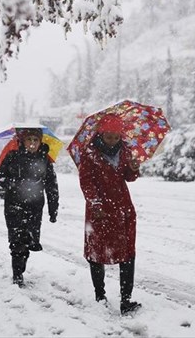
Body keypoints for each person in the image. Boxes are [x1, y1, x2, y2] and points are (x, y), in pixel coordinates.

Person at [79, 114, 142, 314]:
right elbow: (86, 182)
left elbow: (128, 178)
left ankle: (126, 299)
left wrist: (133, 170)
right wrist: (95, 202)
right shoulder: (89, 154)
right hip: (99, 212)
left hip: (123, 209)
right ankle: (100, 295)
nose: (113, 141)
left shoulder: (125, 152)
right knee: (97, 254)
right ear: (101, 134)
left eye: (116, 137)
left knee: (127, 254)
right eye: (109, 137)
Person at [0, 127, 59, 287]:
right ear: (23, 141)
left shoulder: (45, 160)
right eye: (29, 139)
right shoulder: (12, 156)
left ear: (40, 142)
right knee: (17, 241)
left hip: (35, 207)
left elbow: (52, 186)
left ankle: (21, 266)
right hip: (14, 205)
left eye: (35, 140)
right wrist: (13, 184)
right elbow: (0, 177)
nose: (32, 143)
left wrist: (53, 209)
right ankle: (17, 274)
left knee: (29, 241)